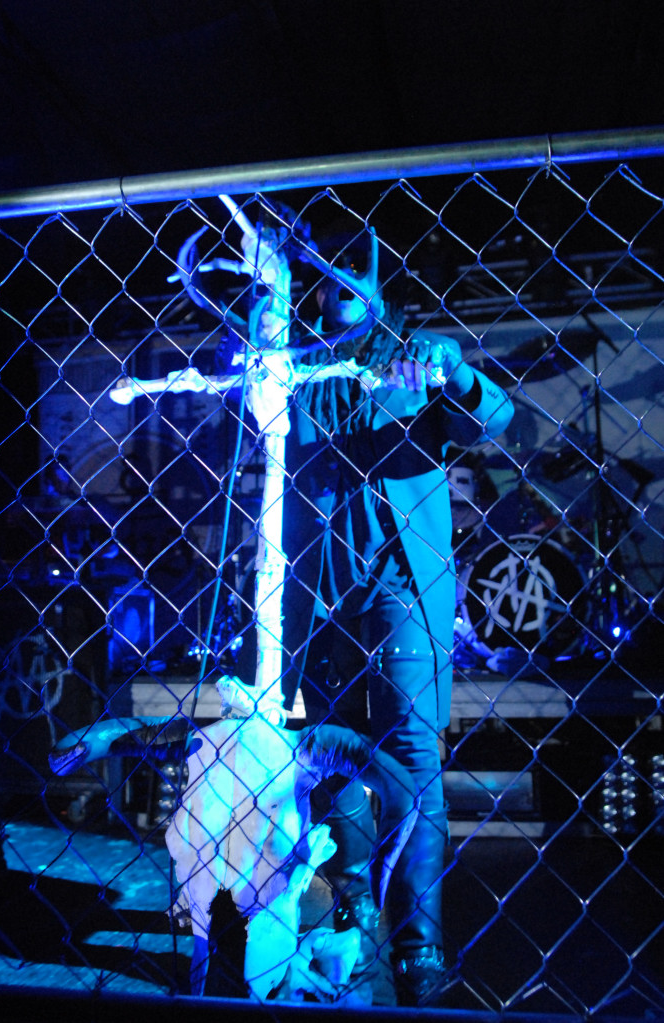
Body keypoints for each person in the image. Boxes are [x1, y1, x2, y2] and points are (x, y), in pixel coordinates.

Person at [280, 237, 515, 1007]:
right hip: (320, 591)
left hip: (400, 585)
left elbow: (494, 415)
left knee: (411, 755)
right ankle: (355, 914)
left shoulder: (412, 354)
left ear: (377, 283)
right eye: (328, 276)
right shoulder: (296, 364)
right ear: (316, 292)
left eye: (356, 270)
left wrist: (452, 371)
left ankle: (419, 941)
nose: (341, 283)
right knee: (333, 755)